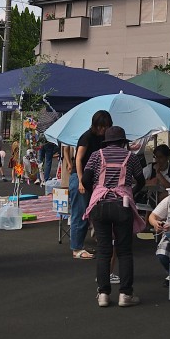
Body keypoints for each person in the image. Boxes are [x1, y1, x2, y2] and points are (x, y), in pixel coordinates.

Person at [82, 125, 146, 307]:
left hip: (100, 205)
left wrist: (96, 192)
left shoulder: (96, 155)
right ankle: (125, 294)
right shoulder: (131, 157)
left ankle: (103, 294)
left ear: (107, 142)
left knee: (104, 251)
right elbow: (141, 180)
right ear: (122, 142)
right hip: (122, 205)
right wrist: (130, 192)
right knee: (124, 251)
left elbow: (85, 179)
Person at [70, 110, 112, 260]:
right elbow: (78, 159)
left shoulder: (104, 139)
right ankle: (76, 249)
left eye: (105, 127)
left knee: (92, 212)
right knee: (80, 212)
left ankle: (81, 244)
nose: (103, 129)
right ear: (95, 125)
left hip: (93, 179)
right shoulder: (87, 137)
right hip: (80, 178)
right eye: (100, 126)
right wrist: (81, 180)